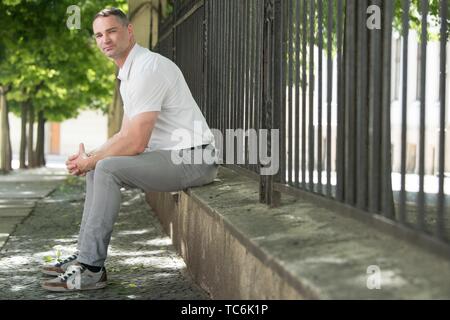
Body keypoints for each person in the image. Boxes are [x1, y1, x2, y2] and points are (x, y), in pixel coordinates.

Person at [41, 7, 218, 292]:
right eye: (99, 34)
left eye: (111, 31)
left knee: (107, 167)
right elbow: (124, 134)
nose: (105, 40)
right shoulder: (129, 73)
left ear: (129, 31)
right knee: (100, 164)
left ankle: (91, 269)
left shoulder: (149, 68)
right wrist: (90, 158)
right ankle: (85, 255)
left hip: (194, 158)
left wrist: (94, 160)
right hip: (172, 156)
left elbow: (136, 143)